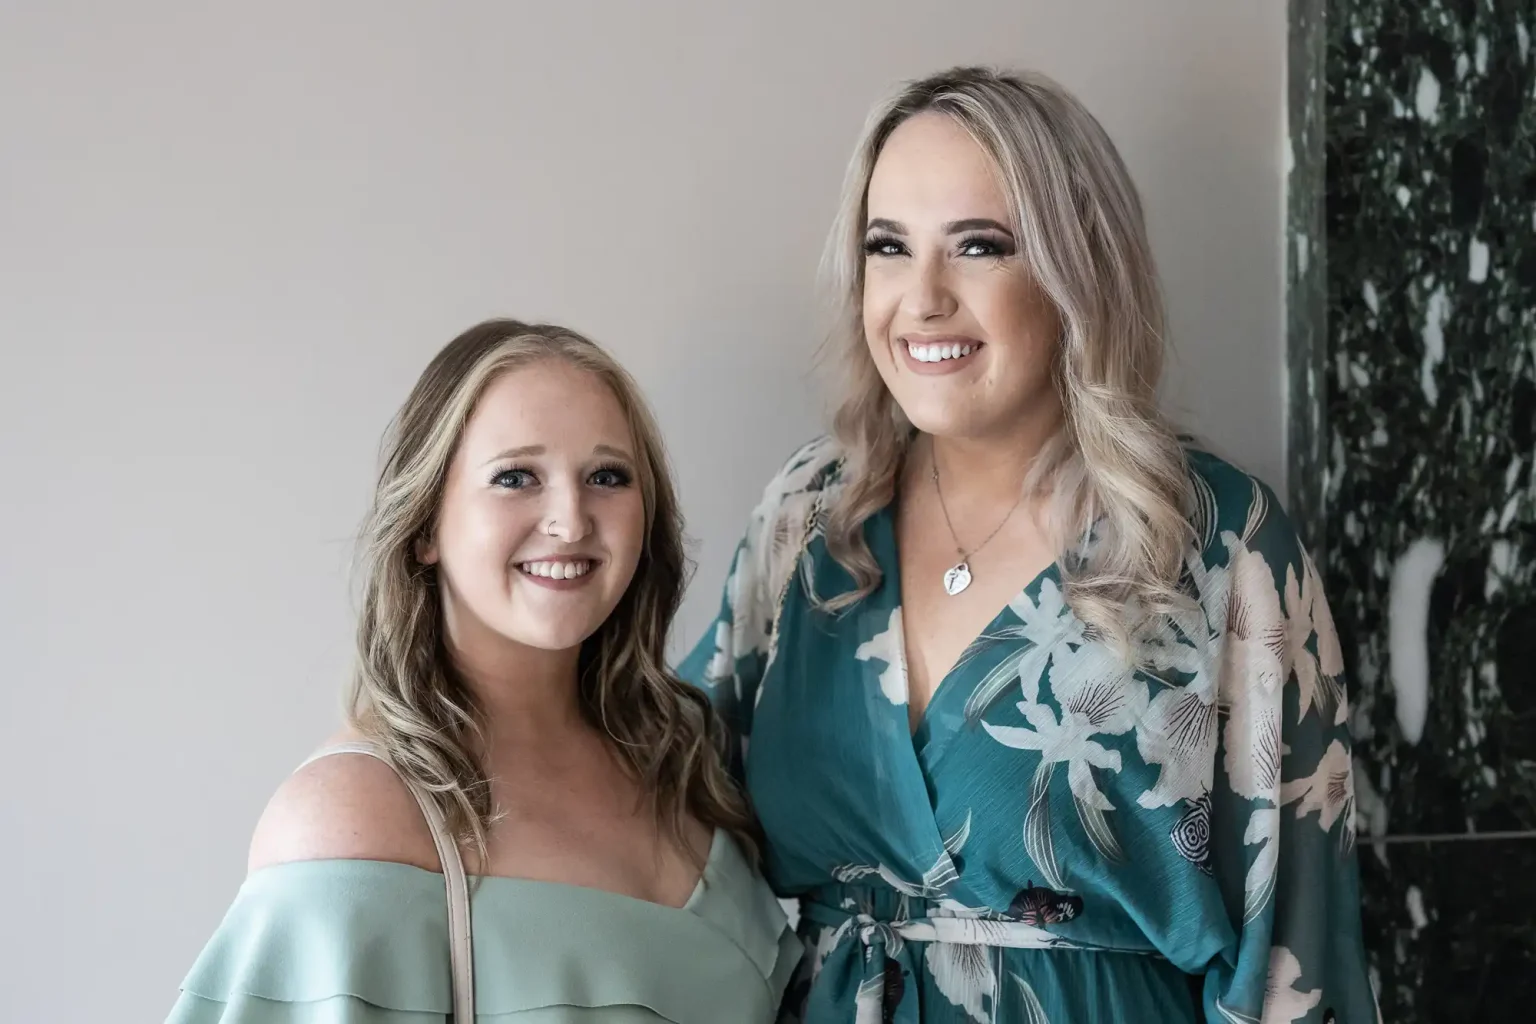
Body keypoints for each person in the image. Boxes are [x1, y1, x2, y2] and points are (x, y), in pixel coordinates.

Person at [681, 67, 1377, 1023]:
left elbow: (1296, 944)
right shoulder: (812, 514)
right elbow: (666, 789)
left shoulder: (1216, 542)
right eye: (889, 247)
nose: (922, 299)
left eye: (980, 246)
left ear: (1075, 268)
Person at [169, 320, 801, 1023]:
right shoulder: (358, 818)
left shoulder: (685, 757)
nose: (570, 520)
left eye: (606, 476)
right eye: (516, 477)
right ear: (424, 528)